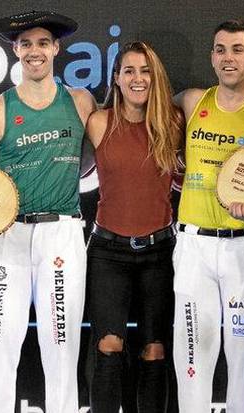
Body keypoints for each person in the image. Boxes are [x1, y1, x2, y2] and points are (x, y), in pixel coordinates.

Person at [0, 10, 95, 413]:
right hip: (6, 237)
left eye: (43, 43)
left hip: (62, 234)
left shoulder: (81, 102)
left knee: (62, 346)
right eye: (27, 44)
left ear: (56, 48)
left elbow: (102, 157)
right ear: (15, 50)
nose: (35, 51)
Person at [171, 19, 244, 412]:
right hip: (194, 246)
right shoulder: (192, 101)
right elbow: (149, 116)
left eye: (237, 49)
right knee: (192, 358)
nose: (228, 58)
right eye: (220, 50)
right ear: (212, 57)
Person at [84, 41, 183, 413]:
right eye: (129, 71)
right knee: (109, 345)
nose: (137, 79)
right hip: (108, 253)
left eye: (145, 71)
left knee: (155, 349)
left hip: (159, 253)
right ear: (117, 78)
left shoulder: (173, 123)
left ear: (155, 78)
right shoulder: (99, 122)